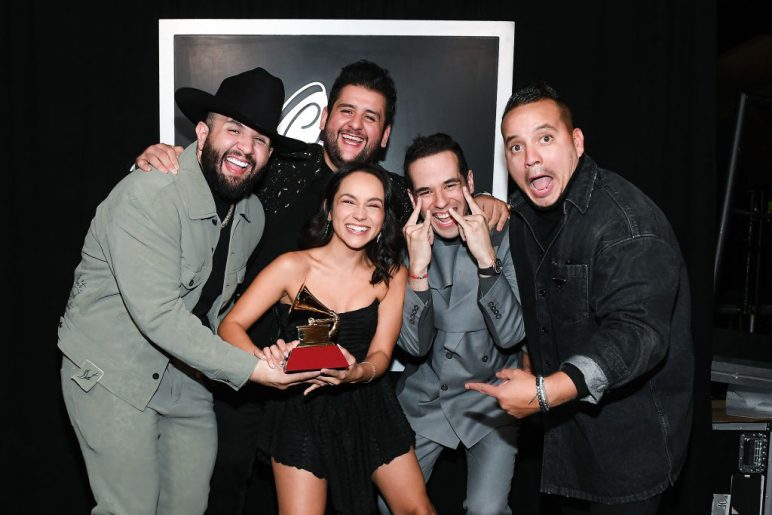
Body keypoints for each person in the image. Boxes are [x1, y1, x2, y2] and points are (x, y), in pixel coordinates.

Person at [135, 59, 510, 514]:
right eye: (346, 111)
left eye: (370, 117)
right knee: (228, 485)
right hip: (254, 369)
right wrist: (174, 156)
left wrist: (489, 201)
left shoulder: (393, 194)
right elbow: (224, 163)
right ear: (326, 117)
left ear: (385, 135)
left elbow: (440, 200)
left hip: (353, 385)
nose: (356, 125)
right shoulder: (275, 167)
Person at [58, 66, 320, 515]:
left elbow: (215, 308)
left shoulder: (252, 215)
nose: (246, 147)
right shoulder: (150, 194)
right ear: (202, 132)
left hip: (187, 373)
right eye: (234, 130)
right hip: (111, 368)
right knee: (131, 508)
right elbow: (158, 315)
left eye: (260, 139)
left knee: (189, 506)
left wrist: (260, 354)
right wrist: (254, 372)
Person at [466, 83, 695, 514]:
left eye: (545, 138)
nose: (530, 156)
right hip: (566, 440)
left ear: (577, 141)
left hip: (633, 446)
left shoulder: (626, 222)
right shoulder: (524, 216)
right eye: (516, 146)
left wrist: (546, 391)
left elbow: (638, 332)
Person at [218, 163, 437, 515]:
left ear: (385, 218)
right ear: (329, 208)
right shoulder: (292, 267)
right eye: (349, 201)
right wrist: (264, 363)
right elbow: (229, 327)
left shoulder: (391, 275)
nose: (360, 215)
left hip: (369, 404)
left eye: (374, 205)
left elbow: (382, 351)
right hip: (301, 409)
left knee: (419, 510)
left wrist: (356, 372)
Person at [377, 133, 525, 515]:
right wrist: (419, 270)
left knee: (486, 509)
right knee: (389, 504)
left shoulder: (507, 233)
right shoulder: (401, 247)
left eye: (451, 185)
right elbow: (413, 346)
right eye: (425, 191)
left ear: (470, 183)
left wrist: (486, 259)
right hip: (426, 398)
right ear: (412, 199)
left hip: (491, 398)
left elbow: (512, 333)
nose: (441, 203)